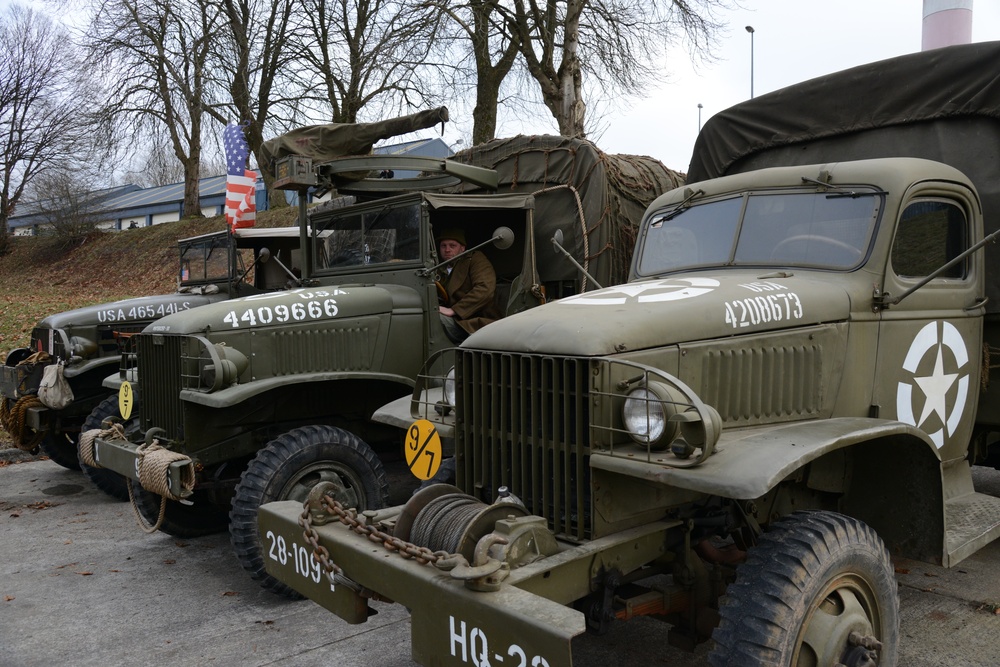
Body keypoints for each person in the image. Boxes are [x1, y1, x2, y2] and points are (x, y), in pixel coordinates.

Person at [437, 228, 503, 342]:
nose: (447, 250)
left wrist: (454, 310)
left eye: (452, 245)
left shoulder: (474, 259)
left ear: (462, 248)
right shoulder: (438, 268)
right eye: (443, 246)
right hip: (453, 318)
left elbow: (485, 289)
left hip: (474, 321)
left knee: (433, 320)